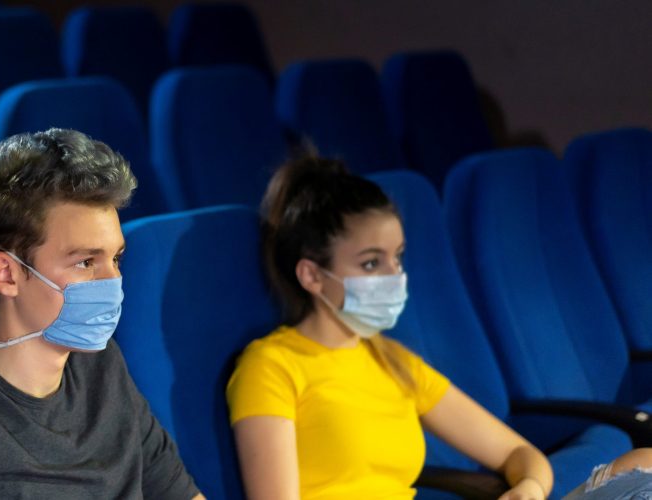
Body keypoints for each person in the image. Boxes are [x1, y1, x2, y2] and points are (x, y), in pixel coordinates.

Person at [227, 156, 652, 499]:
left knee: (644, 462)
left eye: (398, 257)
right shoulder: (271, 366)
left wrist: (529, 488)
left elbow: (519, 452)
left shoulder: (390, 359)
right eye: (372, 263)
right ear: (312, 275)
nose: (394, 275)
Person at [0, 128, 204, 499]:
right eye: (85, 261)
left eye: (116, 259)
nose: (113, 280)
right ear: (7, 274)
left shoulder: (103, 368)